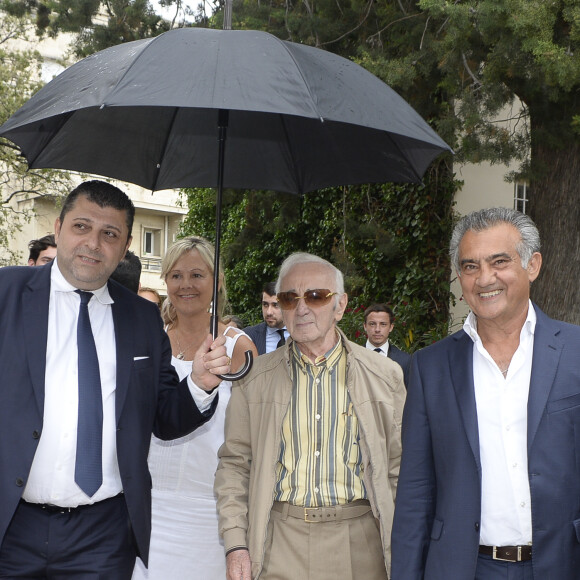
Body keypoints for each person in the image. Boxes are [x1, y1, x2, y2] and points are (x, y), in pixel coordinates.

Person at [0, 180, 230, 579]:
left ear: (124, 248)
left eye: (109, 234)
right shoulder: (6, 293)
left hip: (103, 537)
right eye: (81, 227)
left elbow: (165, 417)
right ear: (58, 228)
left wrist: (199, 383)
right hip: (10, 524)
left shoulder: (141, 319)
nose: (93, 243)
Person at [392, 207, 580, 580]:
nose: (484, 278)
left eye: (499, 261)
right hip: (464, 567)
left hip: (562, 564)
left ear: (533, 265)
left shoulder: (575, 351)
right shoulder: (430, 367)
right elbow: (415, 492)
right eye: (470, 266)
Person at [215, 252, 406, 580]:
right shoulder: (254, 378)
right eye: (289, 298)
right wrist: (235, 544)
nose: (301, 308)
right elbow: (234, 466)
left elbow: (399, 470)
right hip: (279, 542)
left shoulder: (385, 375)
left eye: (316, 296)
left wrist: (404, 547)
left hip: (361, 542)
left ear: (341, 306)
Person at [132, 236, 257, 580]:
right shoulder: (149, 339)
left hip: (209, 512)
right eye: (175, 275)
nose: (185, 284)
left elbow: (251, 433)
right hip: (149, 506)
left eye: (197, 275)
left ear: (216, 282)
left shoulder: (236, 347)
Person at [363, 303, 411, 387]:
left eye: (383, 324)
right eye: (372, 324)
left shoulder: (405, 361)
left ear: (391, 327)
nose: (377, 329)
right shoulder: (352, 356)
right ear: (365, 326)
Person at [243, 281, 288, 354]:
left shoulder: (302, 334)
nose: (269, 312)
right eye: (265, 305)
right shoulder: (248, 336)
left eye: (275, 305)